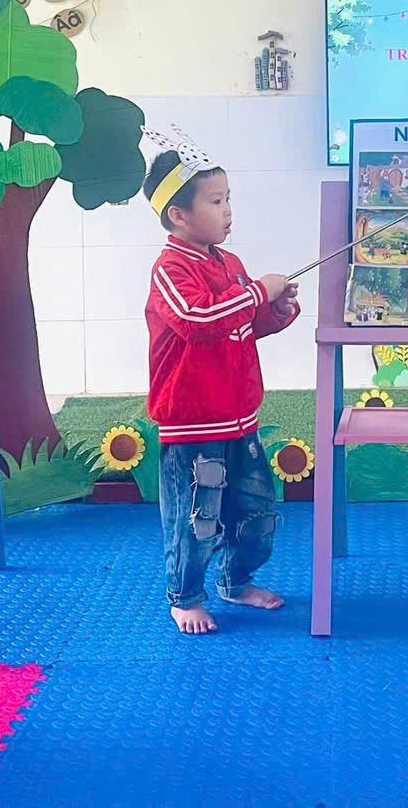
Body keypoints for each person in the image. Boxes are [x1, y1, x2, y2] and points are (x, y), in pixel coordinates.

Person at [140, 127, 300, 635]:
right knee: (197, 517)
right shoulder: (170, 270)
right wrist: (256, 293)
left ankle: (236, 580)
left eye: (228, 198)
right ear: (178, 215)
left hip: (240, 420)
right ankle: (185, 596)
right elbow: (199, 320)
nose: (228, 210)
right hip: (192, 426)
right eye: (215, 201)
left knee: (256, 512)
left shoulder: (230, 263)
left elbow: (240, 325)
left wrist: (275, 310)